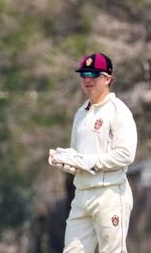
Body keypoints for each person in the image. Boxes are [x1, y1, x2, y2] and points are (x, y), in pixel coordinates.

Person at [48, 53, 137, 252]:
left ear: (108, 79)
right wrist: (64, 161)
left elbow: (125, 155)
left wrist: (87, 161)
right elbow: (79, 159)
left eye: (94, 74)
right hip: (82, 196)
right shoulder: (81, 113)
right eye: (84, 74)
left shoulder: (118, 111)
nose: (87, 79)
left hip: (111, 193)